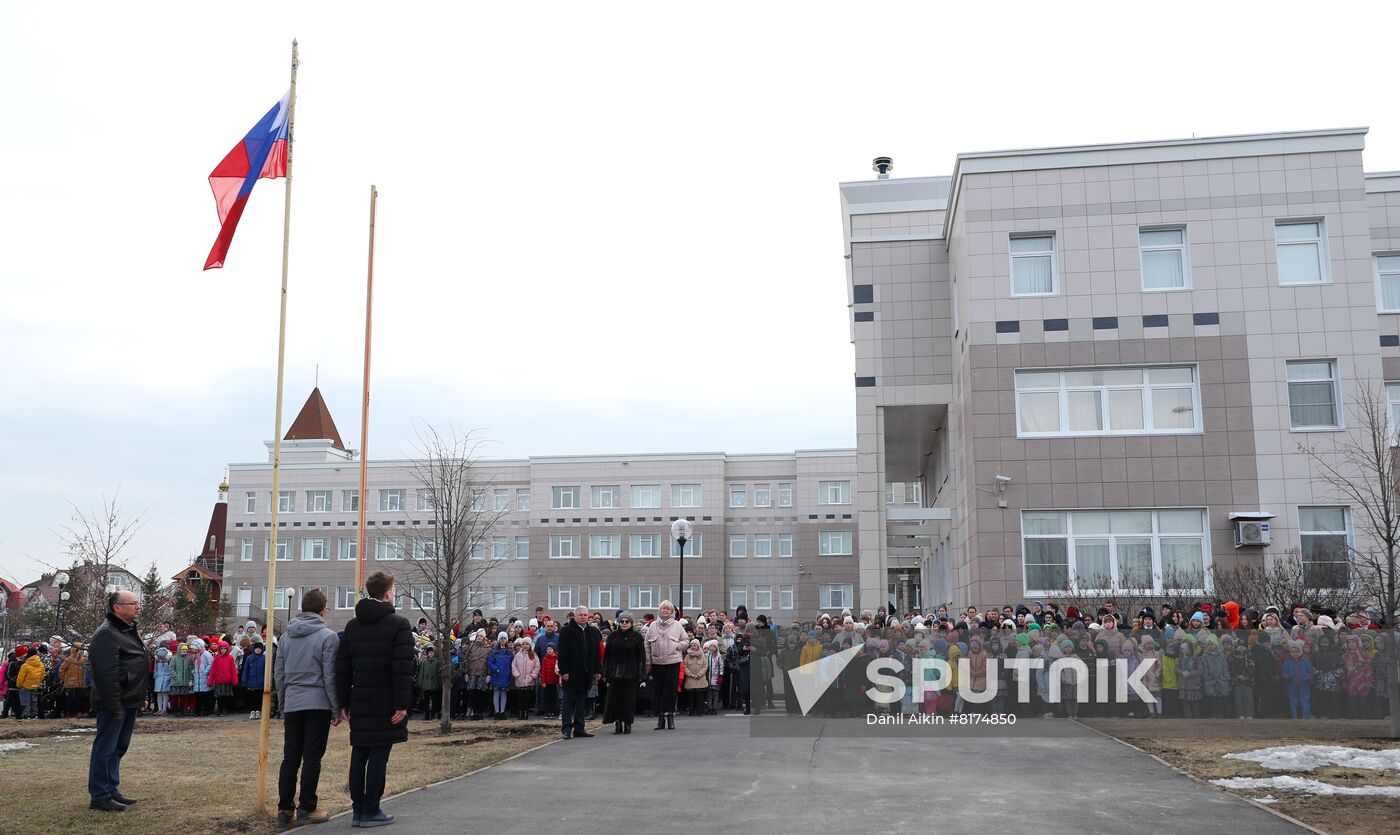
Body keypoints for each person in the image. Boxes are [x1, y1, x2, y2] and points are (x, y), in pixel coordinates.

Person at [335, 571, 414, 828]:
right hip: (386, 701)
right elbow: (402, 668)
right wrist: (402, 704)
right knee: (379, 753)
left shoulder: (352, 626)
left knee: (360, 753)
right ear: (388, 593)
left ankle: (359, 809)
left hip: (359, 698)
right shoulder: (399, 624)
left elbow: (343, 668)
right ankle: (372, 808)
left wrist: (344, 701)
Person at [275, 588, 342, 826]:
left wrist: (283, 704)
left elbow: (279, 675)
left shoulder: (285, 637)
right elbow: (329, 677)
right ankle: (307, 807)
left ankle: (284, 809)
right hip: (318, 703)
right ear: (323, 610)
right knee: (312, 757)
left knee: (290, 757)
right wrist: (336, 709)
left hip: (293, 702)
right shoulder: (328, 637)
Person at [87, 590, 147, 812]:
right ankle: (100, 795)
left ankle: (111, 788)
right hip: (114, 702)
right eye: (132, 603)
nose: (137, 606)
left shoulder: (128, 630)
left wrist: (141, 697)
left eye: (137, 603)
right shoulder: (106, 634)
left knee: (119, 747)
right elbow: (106, 675)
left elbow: (136, 665)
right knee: (105, 748)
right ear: (117, 607)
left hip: (129, 700)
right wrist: (114, 707)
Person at [556, 604, 601, 739]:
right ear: (575, 616)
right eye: (580, 615)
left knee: (582, 702)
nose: (583, 617)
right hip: (570, 673)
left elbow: (596, 653)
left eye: (585, 615)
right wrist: (564, 671)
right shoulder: (566, 631)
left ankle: (579, 728)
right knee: (568, 702)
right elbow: (562, 653)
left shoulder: (592, 632)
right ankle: (566, 729)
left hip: (586, 673)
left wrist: (597, 670)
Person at [644, 599, 687, 729]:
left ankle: (670, 717)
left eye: (668, 609)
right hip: (657, 663)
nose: (666, 611)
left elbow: (686, 640)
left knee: (670, 691)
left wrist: (677, 646)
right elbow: (647, 644)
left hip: (672, 662)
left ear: (672, 612)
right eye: (664, 608)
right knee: (658, 690)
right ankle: (660, 718)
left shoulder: (677, 625)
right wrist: (648, 662)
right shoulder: (652, 626)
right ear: (660, 611)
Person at [602, 611, 644, 733]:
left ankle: (628, 723)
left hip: (631, 674)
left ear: (631, 623)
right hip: (615, 673)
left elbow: (641, 657)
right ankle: (618, 723)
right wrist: (605, 673)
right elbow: (607, 656)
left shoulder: (637, 637)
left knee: (628, 700)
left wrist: (641, 675)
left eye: (627, 621)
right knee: (615, 699)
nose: (624, 623)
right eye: (622, 621)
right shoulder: (613, 636)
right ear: (619, 622)